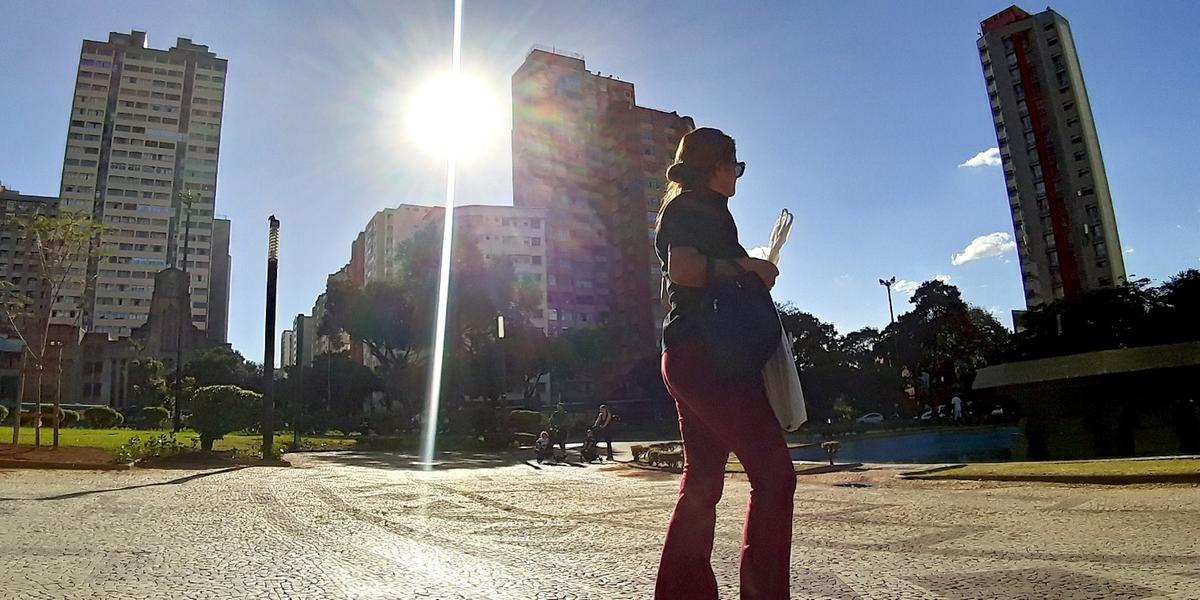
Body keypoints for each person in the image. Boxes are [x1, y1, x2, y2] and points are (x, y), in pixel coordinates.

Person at [654, 127, 795, 599]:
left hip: (689, 357)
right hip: (711, 361)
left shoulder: (701, 210)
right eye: (735, 165)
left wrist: (749, 271)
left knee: (704, 482)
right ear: (716, 164)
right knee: (774, 475)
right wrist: (748, 268)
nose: (738, 175)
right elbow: (685, 270)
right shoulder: (694, 206)